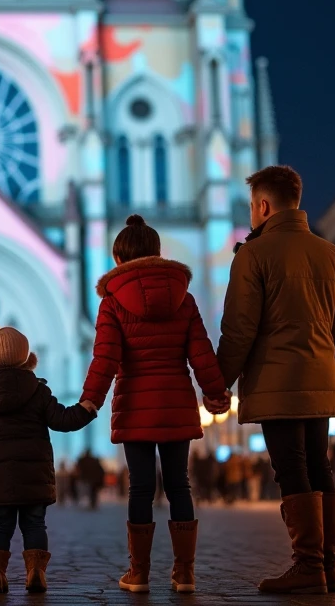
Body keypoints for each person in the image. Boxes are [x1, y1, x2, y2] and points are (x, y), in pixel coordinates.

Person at [216, 166, 335, 595]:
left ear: (262, 206)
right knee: (319, 465)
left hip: (275, 382)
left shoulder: (254, 255)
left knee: (291, 468)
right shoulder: (331, 253)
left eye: (251, 206)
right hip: (319, 380)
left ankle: (308, 564)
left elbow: (239, 329)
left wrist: (218, 383)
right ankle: (328, 565)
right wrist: (331, 374)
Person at [80, 214, 229, 595]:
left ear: (118, 259)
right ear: (158, 253)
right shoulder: (183, 298)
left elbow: (105, 359)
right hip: (176, 402)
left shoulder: (113, 303)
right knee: (179, 485)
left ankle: (140, 573)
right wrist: (215, 392)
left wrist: (90, 401)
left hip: (135, 408)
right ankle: (185, 573)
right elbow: (201, 353)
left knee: (141, 489)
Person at [0, 323, 95, 594]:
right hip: (34, 476)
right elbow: (62, 420)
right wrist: (85, 410)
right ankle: (36, 572)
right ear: (26, 357)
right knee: (35, 524)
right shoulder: (38, 392)